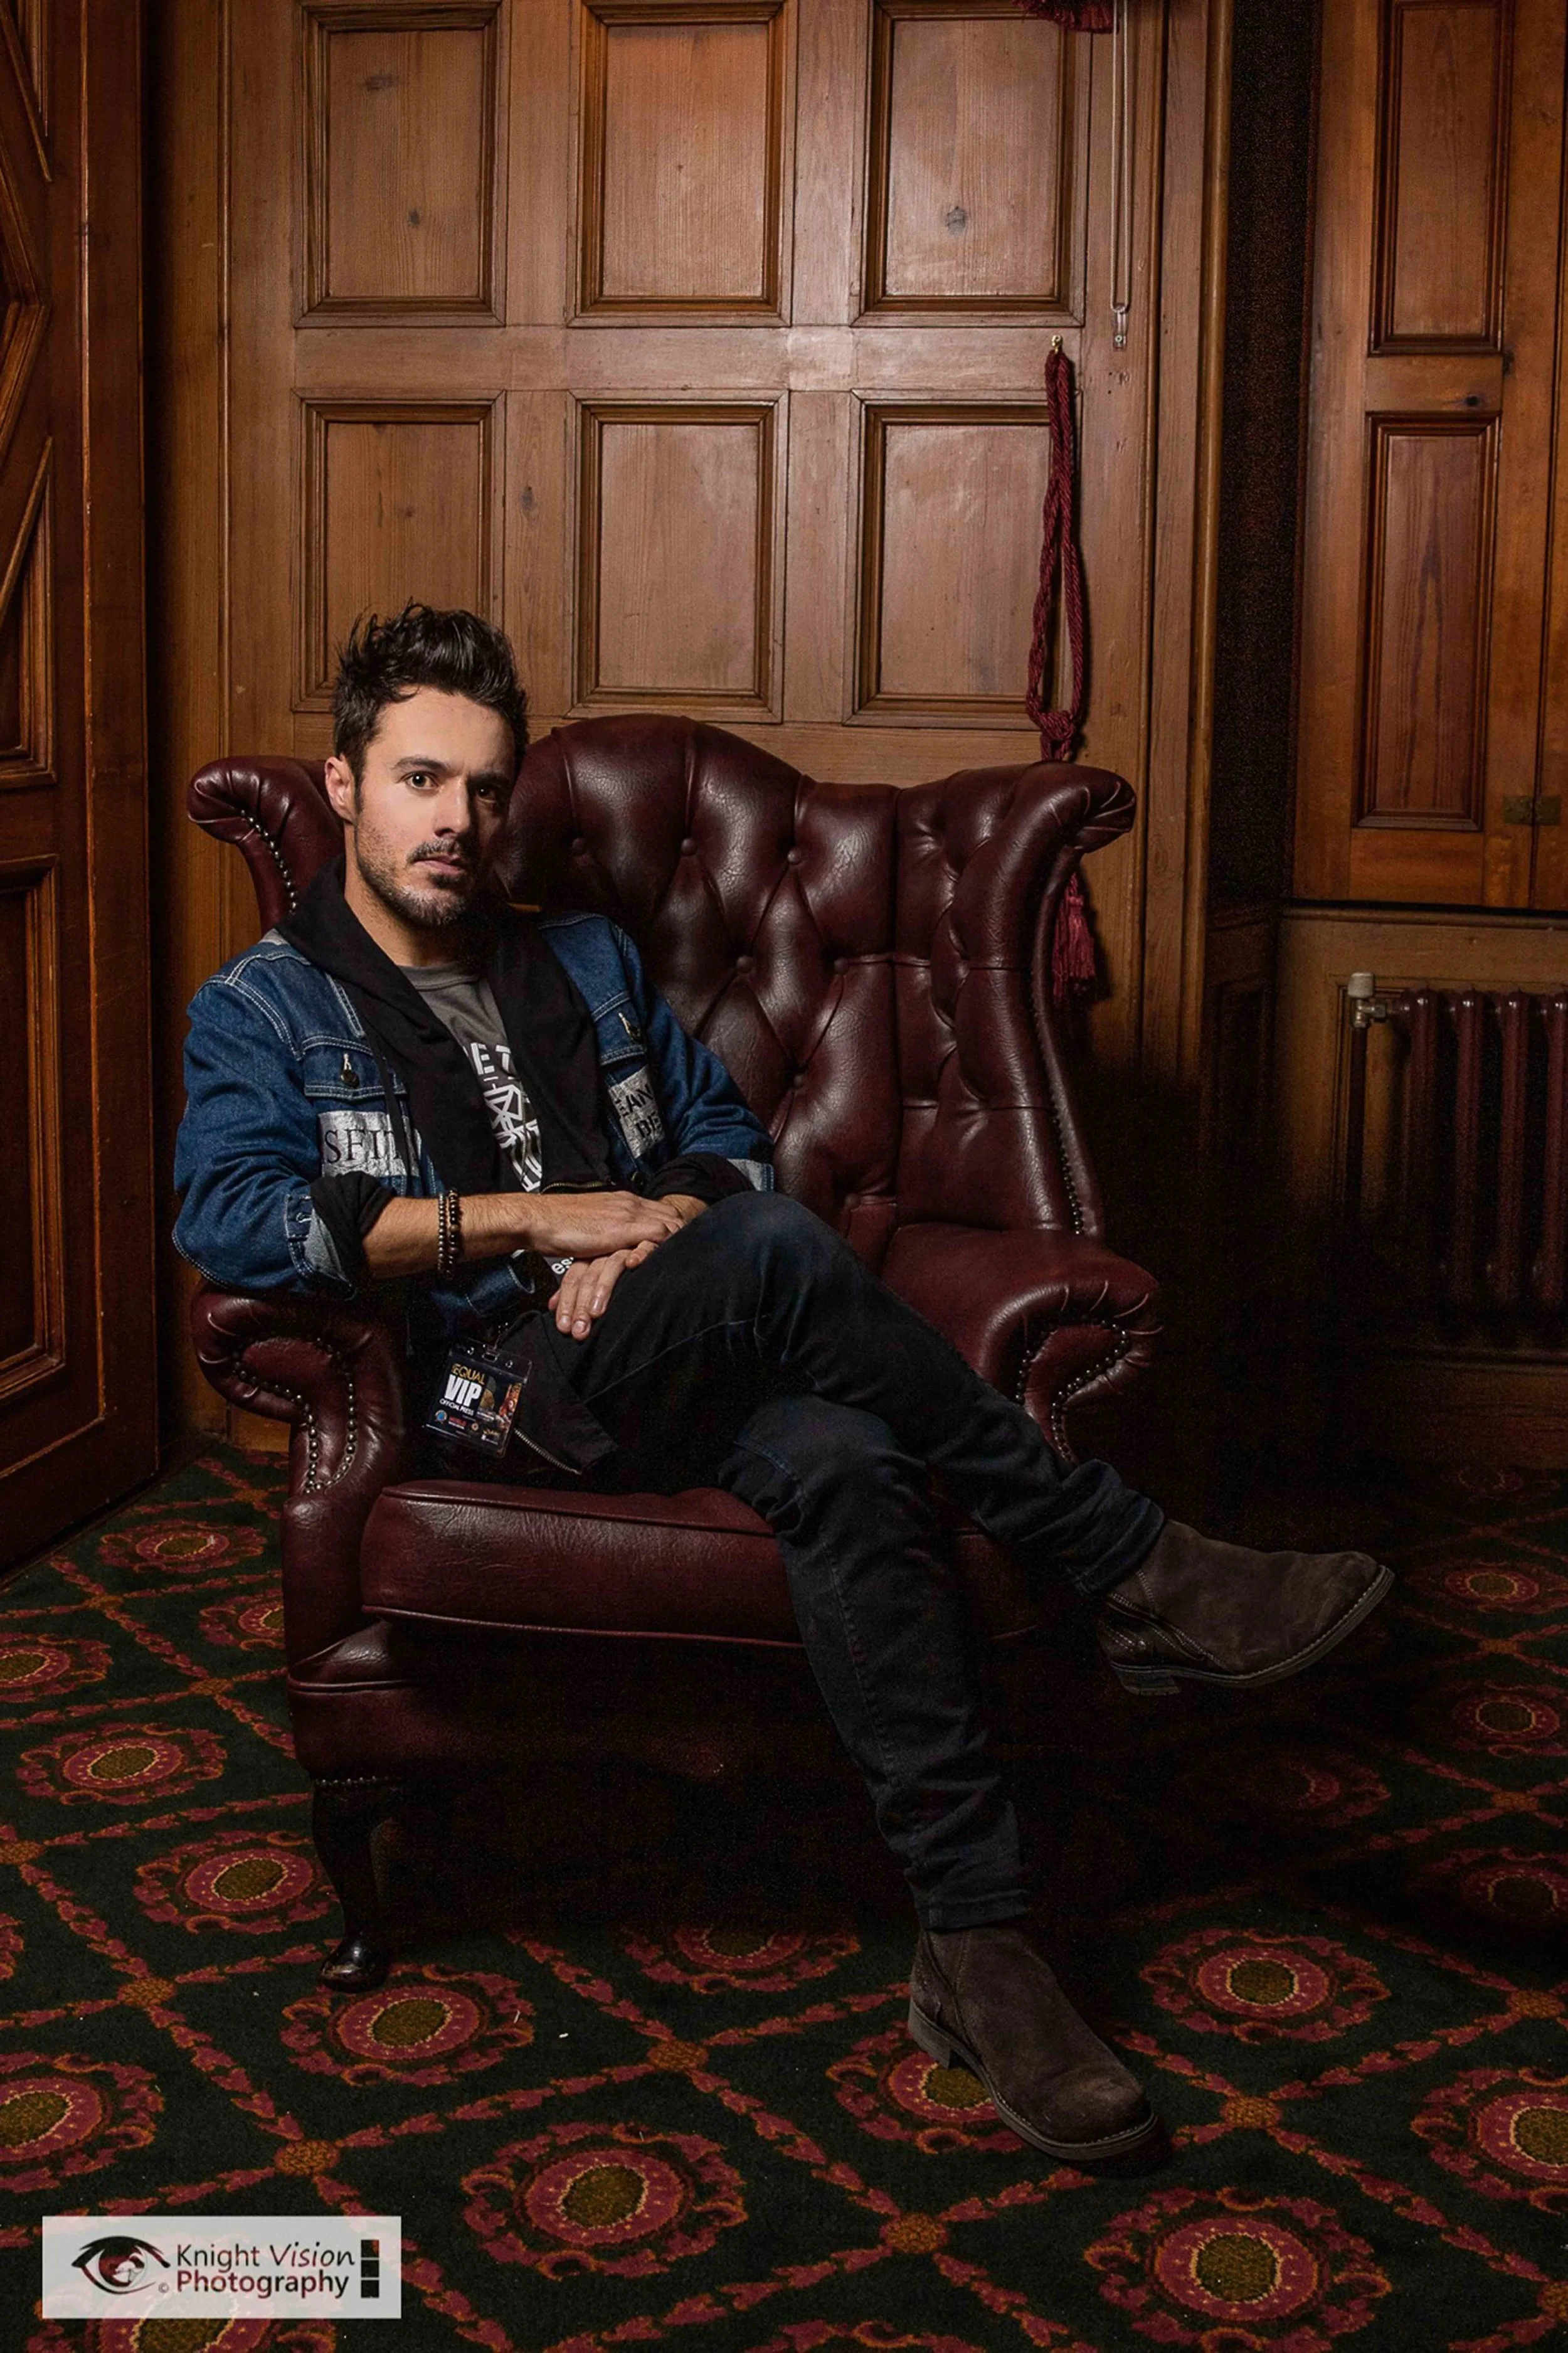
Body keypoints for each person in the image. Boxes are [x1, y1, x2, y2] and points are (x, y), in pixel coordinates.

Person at [174, 603, 1391, 2168]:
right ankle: (1117, 1555)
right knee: (764, 1253)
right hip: (490, 1392)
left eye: (484, 789)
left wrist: (649, 1242)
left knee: (837, 1457)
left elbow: (719, 1146)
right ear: (344, 786)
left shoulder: (588, 959)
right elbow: (237, 1217)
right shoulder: (264, 1006)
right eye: (419, 781)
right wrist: (542, 1222)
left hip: (645, 1345)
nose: (457, 824)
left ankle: (977, 1942)